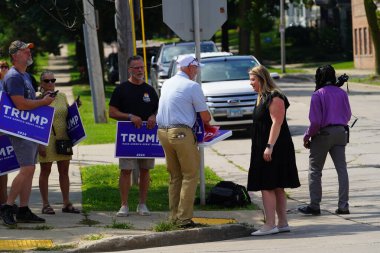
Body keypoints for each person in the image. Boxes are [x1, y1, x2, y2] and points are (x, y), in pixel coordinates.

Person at [0, 40, 55, 226]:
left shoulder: (24, 76)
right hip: (20, 128)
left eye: (29, 51)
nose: (29, 53)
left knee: (30, 170)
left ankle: (23, 209)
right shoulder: (14, 77)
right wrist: (42, 103)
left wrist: (41, 99)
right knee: (28, 169)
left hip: (29, 128)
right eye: (25, 51)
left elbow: (27, 101)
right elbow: (20, 104)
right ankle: (7, 206)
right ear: (15, 56)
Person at [157, 55, 211, 228]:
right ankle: (184, 219)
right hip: (180, 132)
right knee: (190, 175)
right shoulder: (192, 86)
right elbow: (206, 117)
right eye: (196, 68)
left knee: (175, 176)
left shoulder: (167, 83)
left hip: (163, 132)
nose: (197, 71)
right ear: (189, 67)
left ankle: (174, 217)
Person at [247, 65, 300, 236]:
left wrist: (269, 146)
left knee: (268, 185)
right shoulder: (261, 97)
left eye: (253, 79)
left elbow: (277, 123)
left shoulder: (275, 97)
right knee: (276, 185)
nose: (251, 83)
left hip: (274, 147)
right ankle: (282, 223)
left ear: (262, 79)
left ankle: (270, 224)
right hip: (265, 146)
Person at [109, 55, 159, 217]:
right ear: (129, 70)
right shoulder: (121, 89)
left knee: (145, 170)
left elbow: (158, 110)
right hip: (128, 136)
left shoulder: (150, 90)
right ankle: (124, 205)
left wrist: (154, 116)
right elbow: (112, 112)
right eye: (136, 68)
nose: (140, 70)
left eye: (141, 67)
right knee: (126, 170)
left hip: (147, 137)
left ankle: (142, 205)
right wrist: (130, 116)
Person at [298, 65, 351, 216]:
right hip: (341, 132)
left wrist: (307, 136)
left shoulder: (318, 94)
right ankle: (343, 206)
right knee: (342, 170)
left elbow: (315, 122)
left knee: (315, 170)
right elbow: (348, 115)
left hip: (323, 134)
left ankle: (314, 206)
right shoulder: (342, 93)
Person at [37, 70, 80, 215]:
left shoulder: (61, 96)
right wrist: (39, 143)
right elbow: (35, 122)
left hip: (63, 138)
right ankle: (45, 204)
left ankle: (66, 203)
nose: (50, 83)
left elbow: (67, 114)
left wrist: (75, 107)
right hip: (46, 139)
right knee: (45, 170)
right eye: (47, 81)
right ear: (41, 83)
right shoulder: (37, 98)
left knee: (64, 171)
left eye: (52, 80)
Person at [0, 60, 10, 207]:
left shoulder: (7, 84)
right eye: (1, 66)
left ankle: (4, 201)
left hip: (4, 129)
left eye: (5, 66)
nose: (3, 69)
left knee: (5, 167)